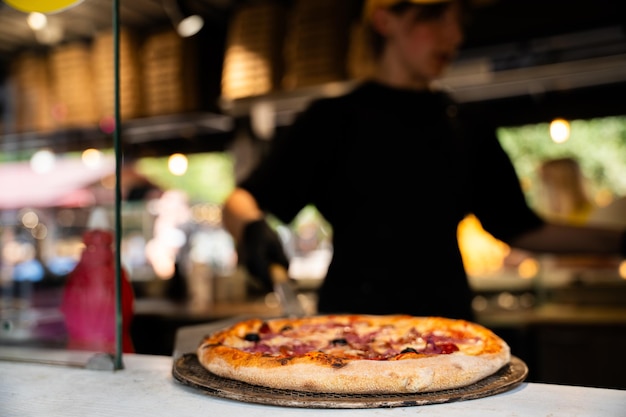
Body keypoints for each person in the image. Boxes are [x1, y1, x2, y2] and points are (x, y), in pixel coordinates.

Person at [222, 0, 626, 321]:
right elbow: (240, 202)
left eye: (458, 20)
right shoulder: (332, 119)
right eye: (434, 16)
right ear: (385, 21)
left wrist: (619, 241)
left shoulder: (465, 124)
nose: (454, 35)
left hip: (450, 327)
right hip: (351, 328)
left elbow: (521, 228)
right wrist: (251, 229)